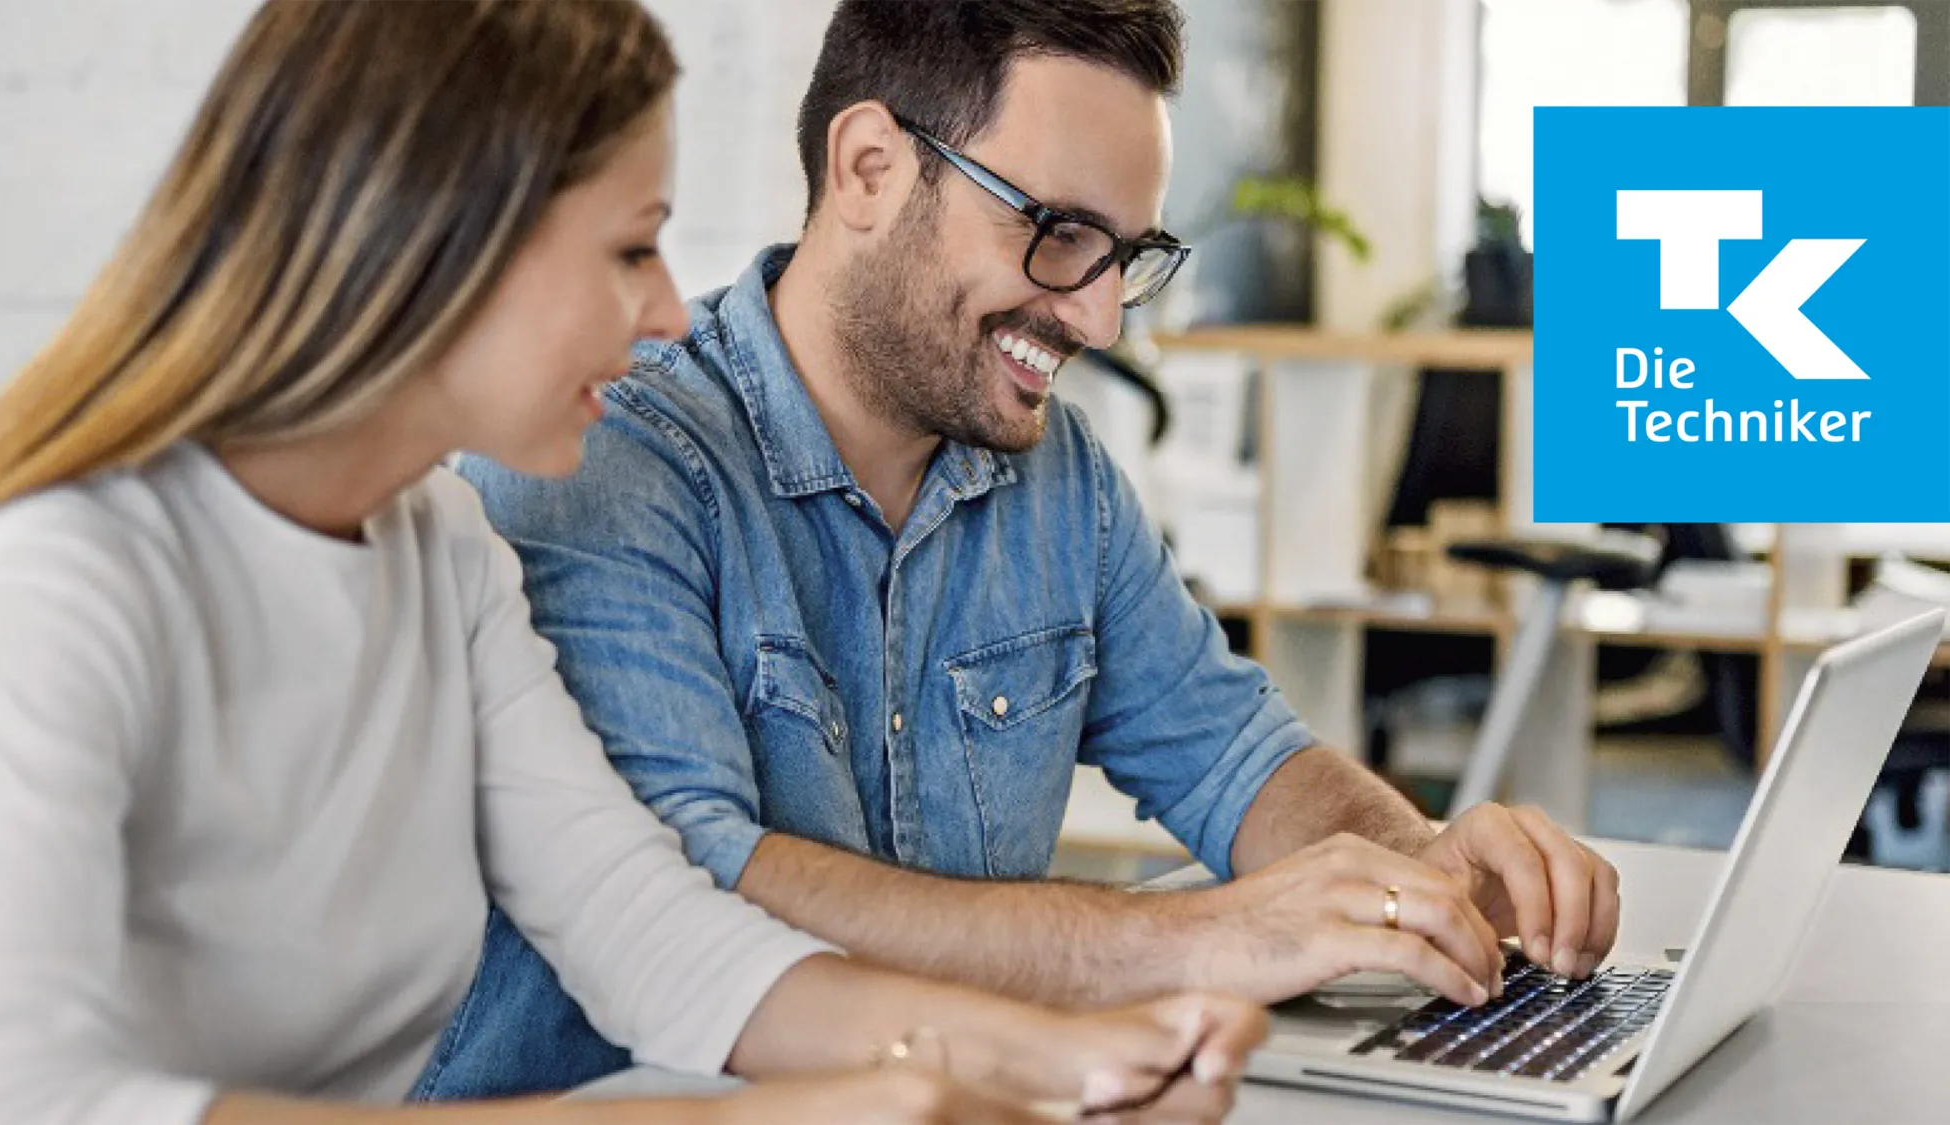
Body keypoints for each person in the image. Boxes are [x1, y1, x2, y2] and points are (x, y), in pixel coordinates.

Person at [0, 4, 1269, 1123]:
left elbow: (653, 933)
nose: (660, 307)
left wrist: (1067, 1055)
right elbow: (27, 1098)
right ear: (439, 244)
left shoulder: (442, 552)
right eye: (630, 246)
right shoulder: (66, 582)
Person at [442, 0, 1625, 1100]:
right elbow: (693, 889)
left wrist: (1416, 873)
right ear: (868, 168)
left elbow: (1237, 753)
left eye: (1126, 255)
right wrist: (1205, 937)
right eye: (1057, 233)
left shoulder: (1056, 479)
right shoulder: (606, 453)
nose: (1101, 317)